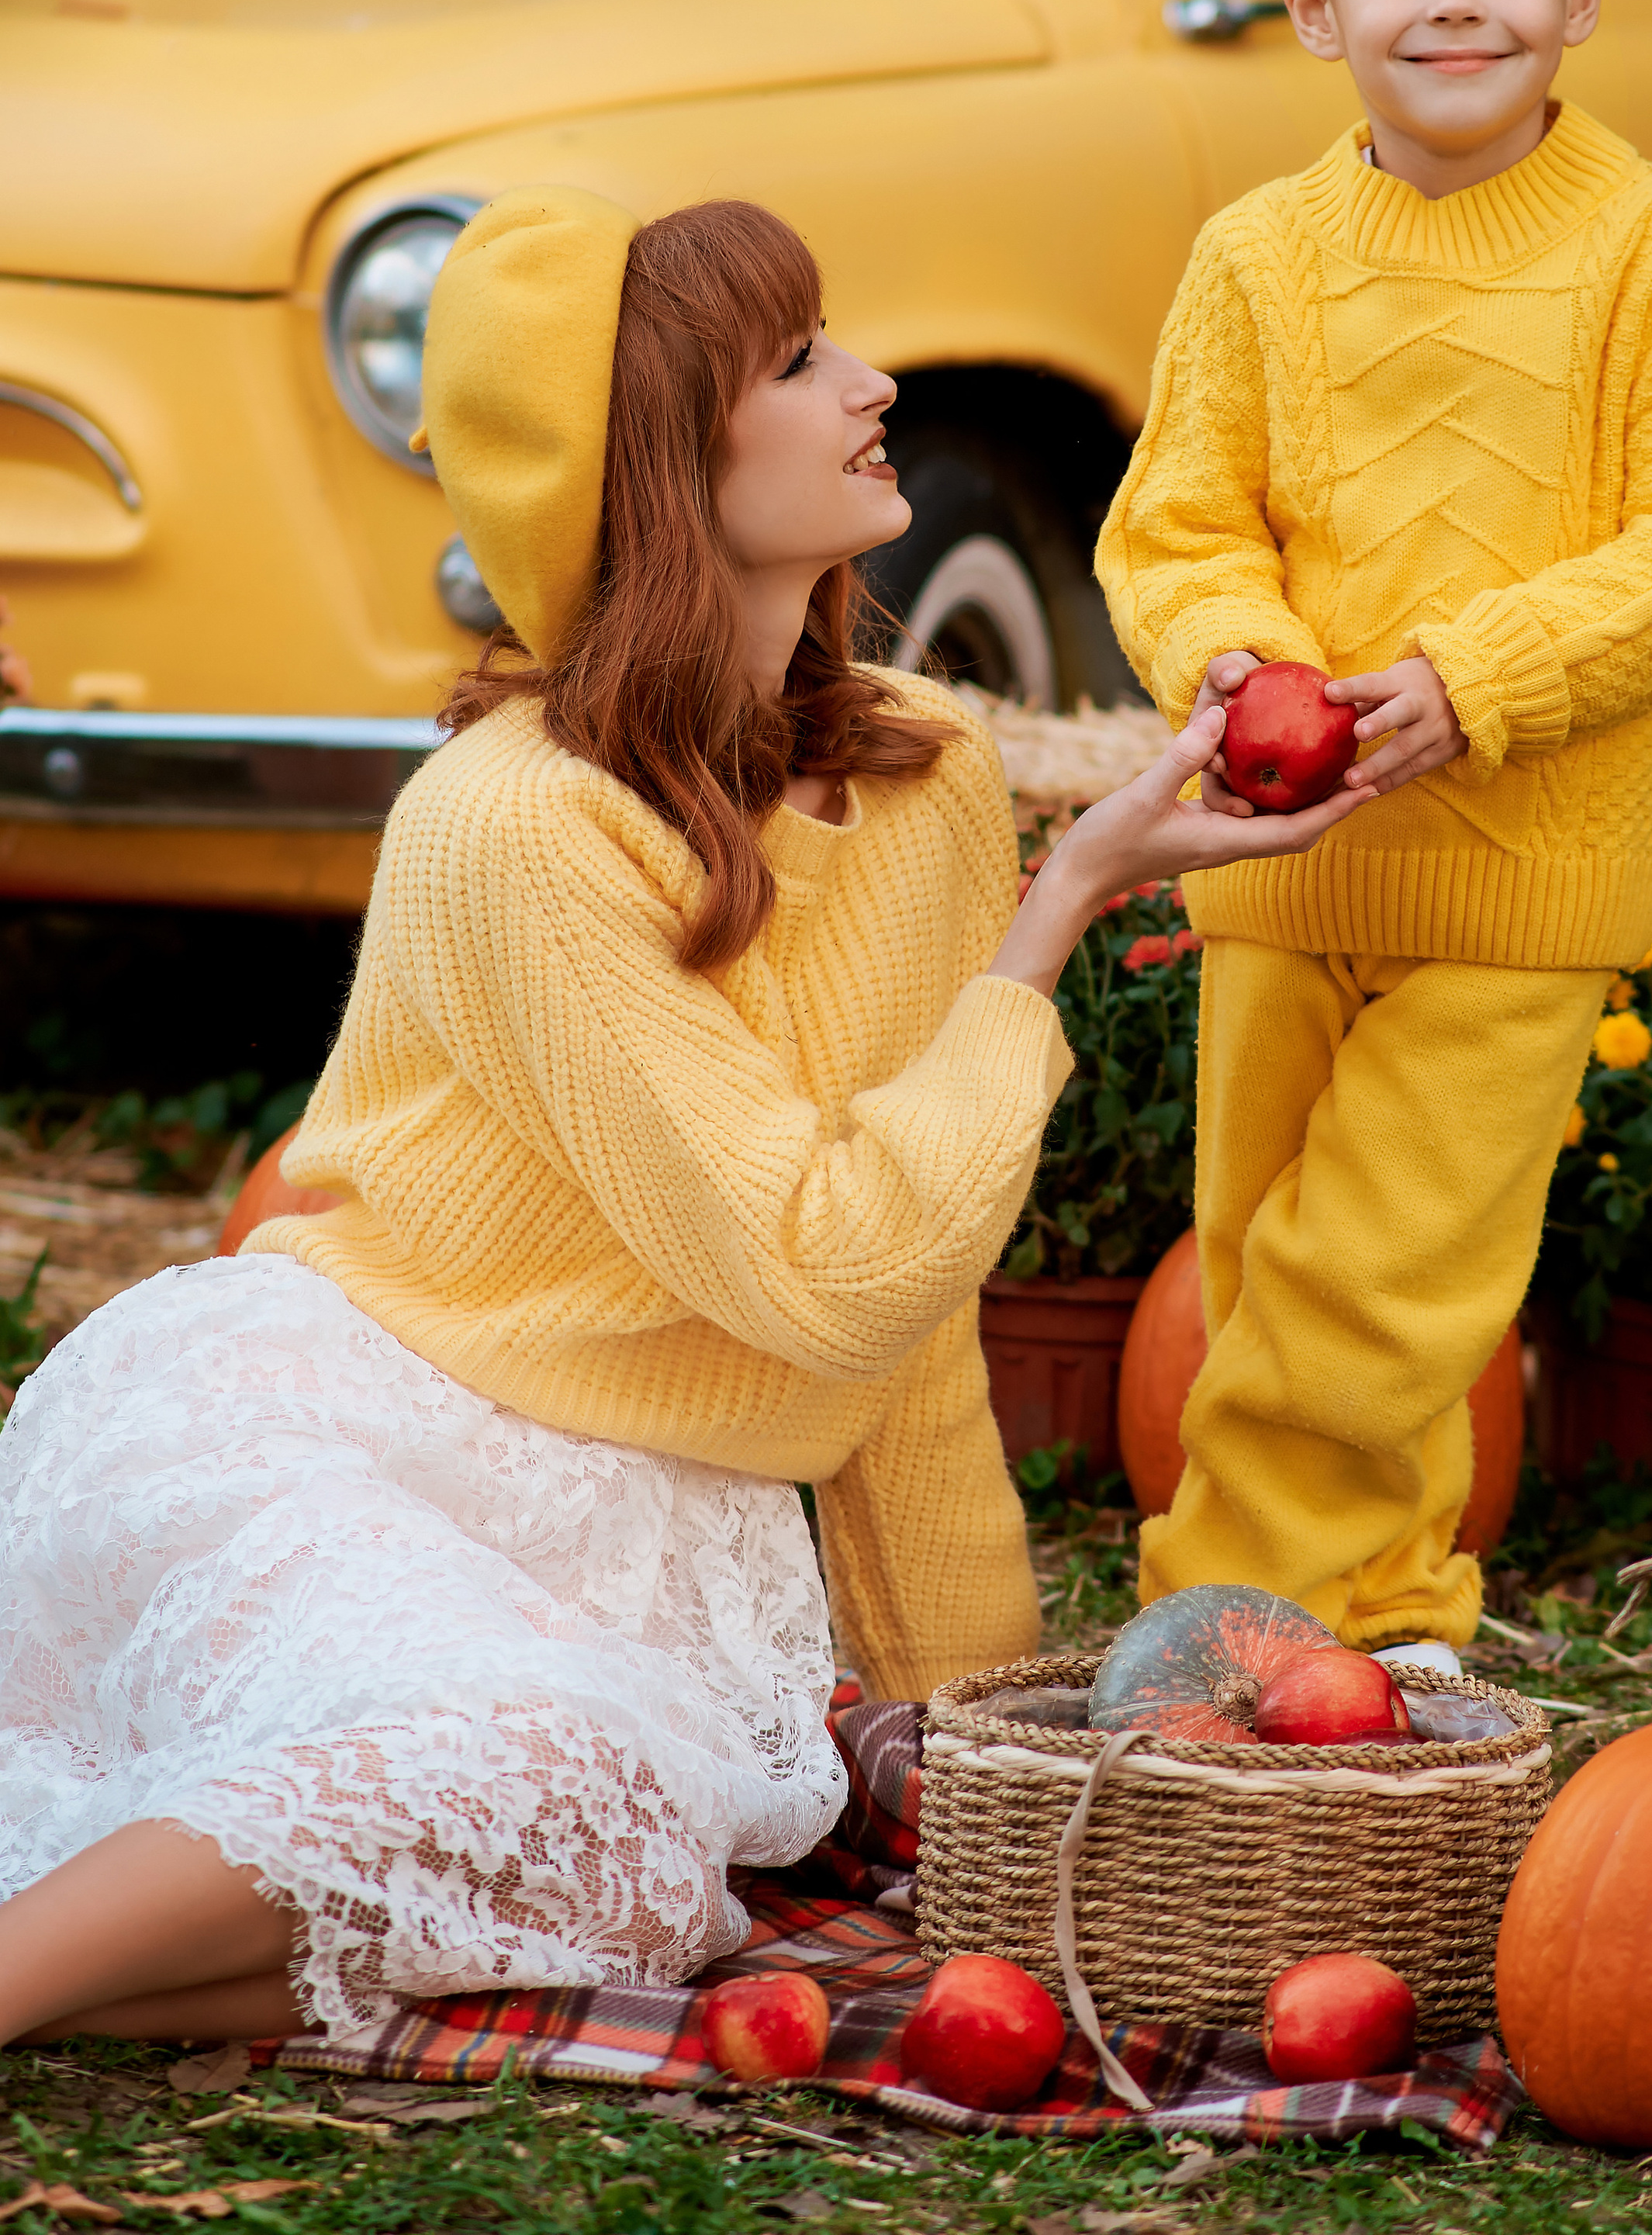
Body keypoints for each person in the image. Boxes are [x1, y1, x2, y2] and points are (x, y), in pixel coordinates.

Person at [0, 187, 1355, 2051]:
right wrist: (1057, 920)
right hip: (328, 1433)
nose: (871, 382)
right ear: (659, 464)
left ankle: (63, 1961)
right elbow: (821, 1269)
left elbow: (907, 1318)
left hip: (600, 1535)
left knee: (628, 1865)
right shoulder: (510, 828)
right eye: (798, 363)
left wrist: (973, 1746)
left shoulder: (929, 776)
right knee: (521, 1768)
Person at [1096, 0, 1652, 1651]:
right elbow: (1174, 521)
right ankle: (1387, 1634)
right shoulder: (1258, 258)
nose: (1451, 4)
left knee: (1378, 1285)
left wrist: (1468, 681)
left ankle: (1220, 1639)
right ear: (1313, 6)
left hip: (1518, 873)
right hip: (1284, 857)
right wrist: (1229, 656)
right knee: (1257, 1263)